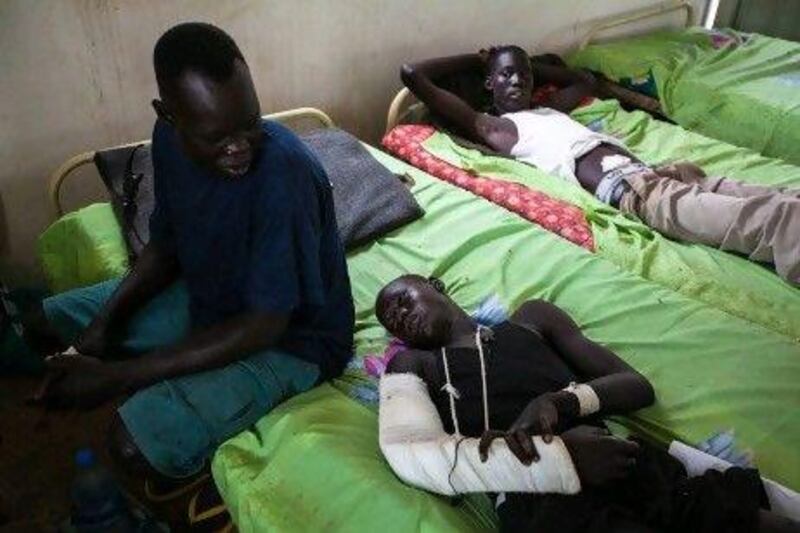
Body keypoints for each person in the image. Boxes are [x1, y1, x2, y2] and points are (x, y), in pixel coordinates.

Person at [27, 22, 354, 491]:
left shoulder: (284, 175)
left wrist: (116, 377)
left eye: (251, 124)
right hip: (211, 294)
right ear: (169, 116)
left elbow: (265, 324)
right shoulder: (167, 143)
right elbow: (165, 246)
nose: (239, 147)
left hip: (292, 342)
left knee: (130, 444)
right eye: (216, 137)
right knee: (48, 322)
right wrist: (100, 329)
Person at [376, 274, 798, 532]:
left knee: (728, 514)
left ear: (435, 285)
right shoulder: (415, 365)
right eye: (391, 320)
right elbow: (412, 450)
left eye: (402, 299)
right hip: (536, 495)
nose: (398, 315)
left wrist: (562, 402)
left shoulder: (532, 320)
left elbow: (635, 385)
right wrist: (555, 459)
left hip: (614, 456)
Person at [400, 46, 800, 285]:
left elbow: (585, 81)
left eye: (524, 74)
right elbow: (413, 75)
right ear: (489, 84)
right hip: (640, 196)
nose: (517, 81)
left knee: (783, 198)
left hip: (663, 173)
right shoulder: (498, 128)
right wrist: (478, 59)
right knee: (770, 220)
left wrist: (530, 67)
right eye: (506, 75)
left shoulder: (547, 109)